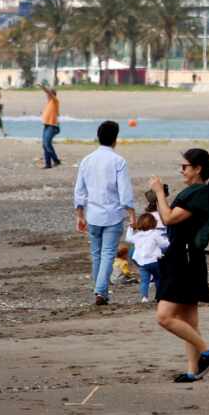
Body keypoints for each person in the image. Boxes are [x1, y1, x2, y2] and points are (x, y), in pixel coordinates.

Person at [148, 148, 209, 383]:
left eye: (185, 166)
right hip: (188, 258)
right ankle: (194, 370)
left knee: (165, 316)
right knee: (189, 321)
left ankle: (208, 351)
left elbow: (168, 217)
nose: (182, 170)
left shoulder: (200, 193)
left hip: (185, 260)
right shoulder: (197, 192)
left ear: (197, 168)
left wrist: (160, 193)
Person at [73, 120, 136, 306]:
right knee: (108, 253)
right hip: (113, 214)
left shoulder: (87, 160)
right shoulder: (118, 161)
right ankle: (101, 291)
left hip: (93, 213)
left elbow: (79, 190)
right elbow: (125, 192)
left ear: (98, 137)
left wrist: (79, 214)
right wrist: (132, 213)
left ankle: (99, 289)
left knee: (96, 253)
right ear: (115, 139)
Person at [129, 212, 168, 303]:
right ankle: (159, 296)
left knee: (144, 281)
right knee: (158, 278)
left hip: (142, 263)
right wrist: (169, 242)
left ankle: (144, 297)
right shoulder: (155, 233)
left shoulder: (137, 235)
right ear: (154, 223)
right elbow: (163, 244)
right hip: (155, 261)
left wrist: (130, 228)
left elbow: (129, 238)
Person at [40, 85, 61, 168]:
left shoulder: (55, 100)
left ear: (52, 94)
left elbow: (49, 92)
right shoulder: (49, 103)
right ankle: (48, 164)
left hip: (52, 127)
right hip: (46, 126)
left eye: (48, 94)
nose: (47, 96)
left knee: (47, 144)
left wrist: (43, 87)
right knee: (44, 145)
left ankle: (56, 160)